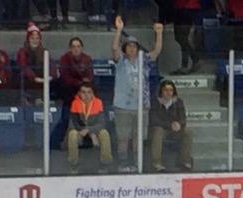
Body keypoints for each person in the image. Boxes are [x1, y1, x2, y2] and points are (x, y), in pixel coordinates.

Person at [111, 17, 165, 171]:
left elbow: (156, 51)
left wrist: (159, 34)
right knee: (123, 138)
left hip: (141, 106)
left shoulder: (144, 60)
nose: (132, 48)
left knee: (138, 138)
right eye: (129, 46)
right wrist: (119, 31)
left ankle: (137, 164)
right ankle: (122, 164)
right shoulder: (121, 61)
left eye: (134, 46)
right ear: (125, 48)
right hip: (123, 106)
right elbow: (115, 49)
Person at [67, 81, 113, 172]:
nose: (86, 95)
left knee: (104, 133)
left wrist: (90, 131)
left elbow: (102, 123)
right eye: (83, 92)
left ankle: (105, 164)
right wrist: (84, 132)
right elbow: (72, 124)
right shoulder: (75, 103)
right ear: (79, 93)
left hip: (94, 131)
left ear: (93, 94)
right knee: (72, 134)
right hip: (79, 131)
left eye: (89, 92)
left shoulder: (98, 102)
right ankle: (74, 164)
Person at [148, 79, 193, 172]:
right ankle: (157, 163)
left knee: (187, 132)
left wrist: (179, 124)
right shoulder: (155, 102)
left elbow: (183, 118)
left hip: (174, 130)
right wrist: (170, 124)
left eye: (171, 90)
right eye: (165, 90)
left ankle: (185, 162)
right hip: (160, 129)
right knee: (158, 131)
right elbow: (154, 120)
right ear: (161, 91)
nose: (168, 93)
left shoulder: (178, 102)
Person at [16, 22, 56, 106]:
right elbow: (24, 66)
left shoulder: (44, 51)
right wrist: (34, 78)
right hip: (29, 80)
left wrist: (51, 75)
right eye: (32, 38)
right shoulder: (22, 52)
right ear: (28, 39)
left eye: (37, 38)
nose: (35, 40)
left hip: (43, 78)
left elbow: (51, 64)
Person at [58, 37, 94, 114]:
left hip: (83, 87)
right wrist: (78, 82)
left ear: (82, 48)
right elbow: (65, 76)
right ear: (70, 48)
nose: (76, 49)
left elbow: (90, 75)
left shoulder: (87, 59)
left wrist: (83, 84)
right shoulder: (64, 58)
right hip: (69, 89)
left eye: (78, 46)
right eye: (73, 47)